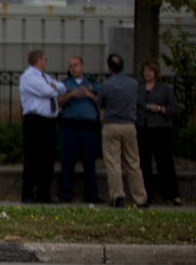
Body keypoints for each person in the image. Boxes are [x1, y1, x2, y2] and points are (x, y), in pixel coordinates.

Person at [97, 53, 147, 208]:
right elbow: (139, 102)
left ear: (109, 67)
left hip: (111, 124)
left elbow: (100, 103)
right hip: (129, 124)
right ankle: (140, 197)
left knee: (113, 162)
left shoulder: (106, 84)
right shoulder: (133, 84)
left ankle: (117, 195)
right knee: (133, 162)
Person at [57, 55, 102, 204]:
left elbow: (100, 100)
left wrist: (89, 95)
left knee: (89, 162)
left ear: (82, 66)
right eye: (71, 66)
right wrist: (71, 95)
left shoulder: (91, 83)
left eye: (76, 65)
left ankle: (91, 195)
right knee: (67, 162)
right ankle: (66, 194)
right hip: (69, 126)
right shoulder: (64, 84)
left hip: (87, 127)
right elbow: (58, 101)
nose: (73, 68)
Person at [18, 49, 61, 203]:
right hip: (34, 121)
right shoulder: (28, 77)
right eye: (45, 59)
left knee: (47, 159)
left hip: (49, 121)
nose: (46, 62)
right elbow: (46, 91)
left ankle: (44, 194)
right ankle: (29, 193)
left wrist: (53, 87)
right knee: (32, 158)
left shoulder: (45, 77)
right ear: (39, 60)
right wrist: (52, 88)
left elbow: (61, 88)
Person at [137, 61, 181, 205]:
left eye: (150, 71)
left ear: (156, 73)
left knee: (165, 162)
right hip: (144, 129)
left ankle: (171, 194)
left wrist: (161, 109)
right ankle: (146, 194)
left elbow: (174, 108)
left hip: (161, 129)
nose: (147, 74)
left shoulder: (165, 89)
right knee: (144, 164)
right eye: (145, 71)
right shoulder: (139, 88)